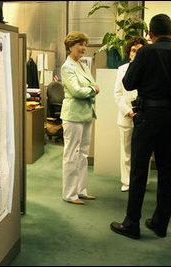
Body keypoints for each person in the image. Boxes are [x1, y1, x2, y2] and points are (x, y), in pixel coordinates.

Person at [110, 14, 171, 239]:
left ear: (150, 35)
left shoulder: (145, 52)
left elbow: (129, 83)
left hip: (147, 116)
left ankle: (131, 223)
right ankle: (160, 223)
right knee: (168, 170)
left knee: (139, 169)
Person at [61, 31, 100, 205]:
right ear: (70, 46)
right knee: (71, 155)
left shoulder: (81, 65)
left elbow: (86, 87)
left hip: (85, 114)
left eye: (85, 44)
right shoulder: (67, 66)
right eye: (80, 44)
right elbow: (77, 91)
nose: (84, 48)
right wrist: (93, 90)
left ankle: (81, 190)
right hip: (73, 116)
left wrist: (91, 89)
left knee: (83, 154)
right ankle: (69, 194)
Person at [114, 36, 150, 192]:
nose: (136, 53)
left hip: (145, 115)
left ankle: (143, 181)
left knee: (144, 151)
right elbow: (117, 94)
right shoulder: (122, 69)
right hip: (127, 115)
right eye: (133, 50)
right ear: (129, 53)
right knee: (127, 151)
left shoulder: (150, 69)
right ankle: (127, 181)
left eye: (139, 51)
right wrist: (128, 111)